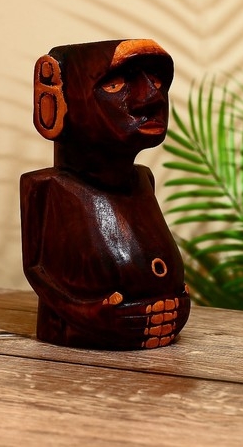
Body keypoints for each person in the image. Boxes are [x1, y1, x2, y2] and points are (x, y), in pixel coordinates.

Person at [20, 39, 190, 349]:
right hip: (80, 353)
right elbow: (36, 270)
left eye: (156, 82)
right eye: (115, 85)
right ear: (54, 101)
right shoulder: (47, 187)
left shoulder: (143, 180)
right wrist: (86, 314)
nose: (152, 98)